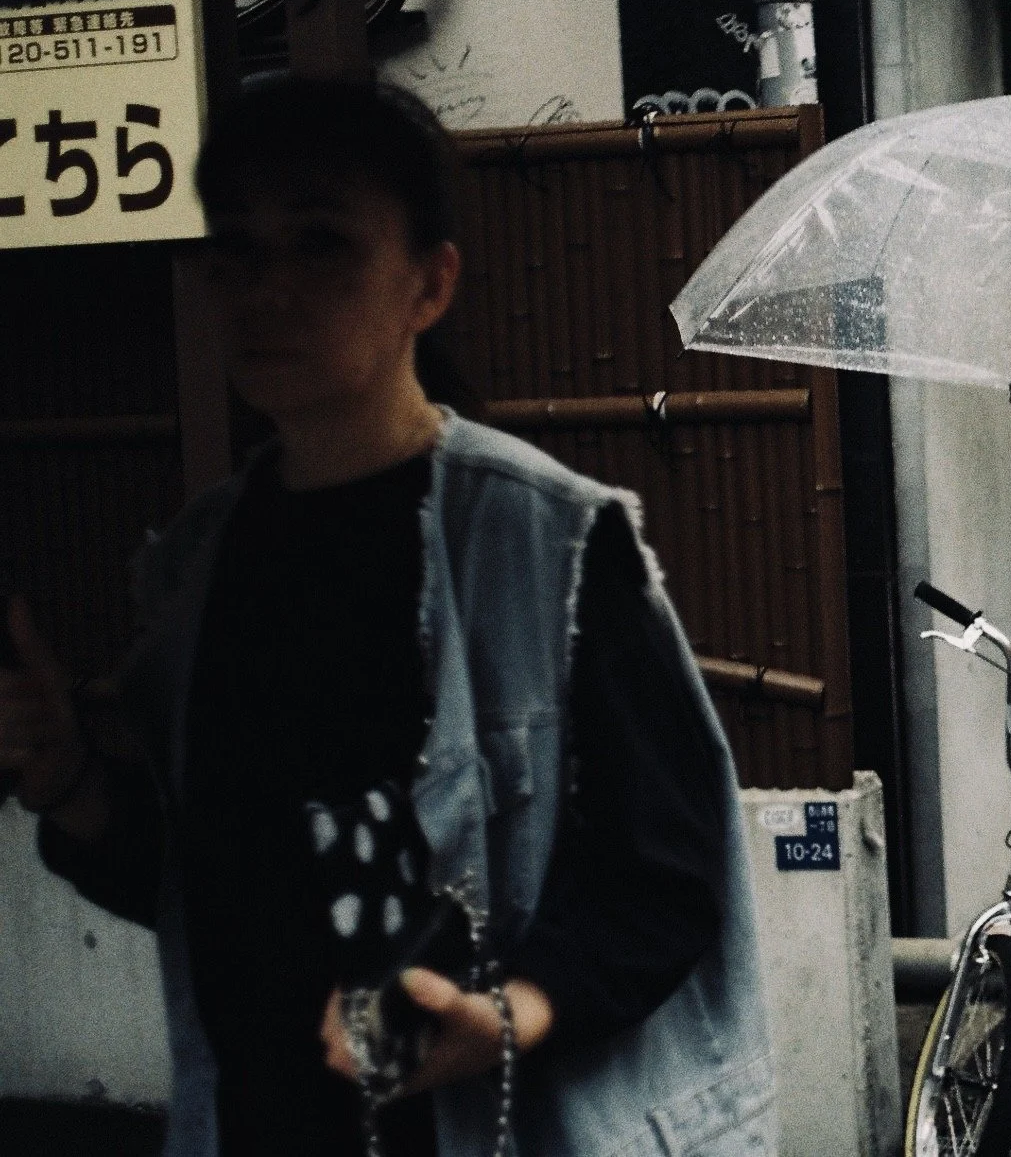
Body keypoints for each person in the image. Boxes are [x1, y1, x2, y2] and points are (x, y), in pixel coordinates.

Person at [0, 79, 773, 1157]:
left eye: (320, 243)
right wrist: (72, 782)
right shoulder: (192, 569)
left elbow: (672, 866)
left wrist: (507, 1012)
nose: (266, 289)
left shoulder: (545, 541)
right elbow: (203, 884)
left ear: (430, 282)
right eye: (235, 249)